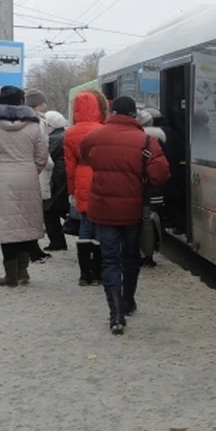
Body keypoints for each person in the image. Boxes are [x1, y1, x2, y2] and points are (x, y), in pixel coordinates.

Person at [82, 96, 170, 335]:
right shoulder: (146, 141)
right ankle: (128, 301)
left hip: (103, 210)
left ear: (111, 111)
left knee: (109, 260)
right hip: (134, 211)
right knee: (131, 258)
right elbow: (160, 175)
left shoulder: (94, 137)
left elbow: (87, 158)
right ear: (134, 115)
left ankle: (116, 315)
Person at [0, 85, 49, 287]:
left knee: (7, 228)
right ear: (21, 101)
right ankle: (24, 271)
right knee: (24, 226)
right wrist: (31, 171)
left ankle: (11, 275)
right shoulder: (33, 125)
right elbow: (42, 157)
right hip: (27, 178)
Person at [64, 89, 109, 286]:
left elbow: (69, 167)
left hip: (81, 179)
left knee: (84, 225)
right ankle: (98, 272)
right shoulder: (103, 130)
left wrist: (71, 191)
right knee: (100, 225)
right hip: (100, 178)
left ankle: (84, 274)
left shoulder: (70, 133)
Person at [25, 88, 53, 260]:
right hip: (38, 169)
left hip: (25, 168)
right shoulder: (38, 122)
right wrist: (49, 164)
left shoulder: (22, 119)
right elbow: (42, 148)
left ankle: (30, 248)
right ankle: (33, 248)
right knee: (35, 210)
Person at [137, 108, 166, 267]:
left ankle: (139, 252)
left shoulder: (137, 140)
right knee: (152, 219)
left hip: (138, 188)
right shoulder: (158, 139)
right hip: (155, 189)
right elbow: (160, 169)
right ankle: (149, 253)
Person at [42, 110, 69, 252]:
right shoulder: (65, 135)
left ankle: (57, 241)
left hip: (57, 179)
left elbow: (46, 159)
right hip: (65, 178)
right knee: (63, 209)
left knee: (49, 209)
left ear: (49, 126)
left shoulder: (53, 139)